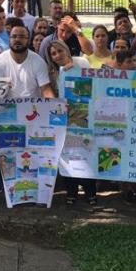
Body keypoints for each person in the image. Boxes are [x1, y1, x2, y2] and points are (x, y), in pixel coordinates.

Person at [46, 39, 95, 205]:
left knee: (86, 154)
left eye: (60, 51)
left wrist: (73, 66)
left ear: (66, 50)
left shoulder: (81, 62)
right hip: (65, 120)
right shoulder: (54, 73)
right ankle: (71, 192)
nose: (57, 55)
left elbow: (93, 81)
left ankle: (90, 192)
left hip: (85, 118)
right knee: (68, 156)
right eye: (53, 54)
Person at [0, 24, 54, 100]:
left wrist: (53, 104)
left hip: (32, 105)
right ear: (9, 39)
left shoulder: (38, 61)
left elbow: (45, 89)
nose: (17, 39)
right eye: (14, 36)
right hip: (6, 105)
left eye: (21, 37)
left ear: (28, 40)